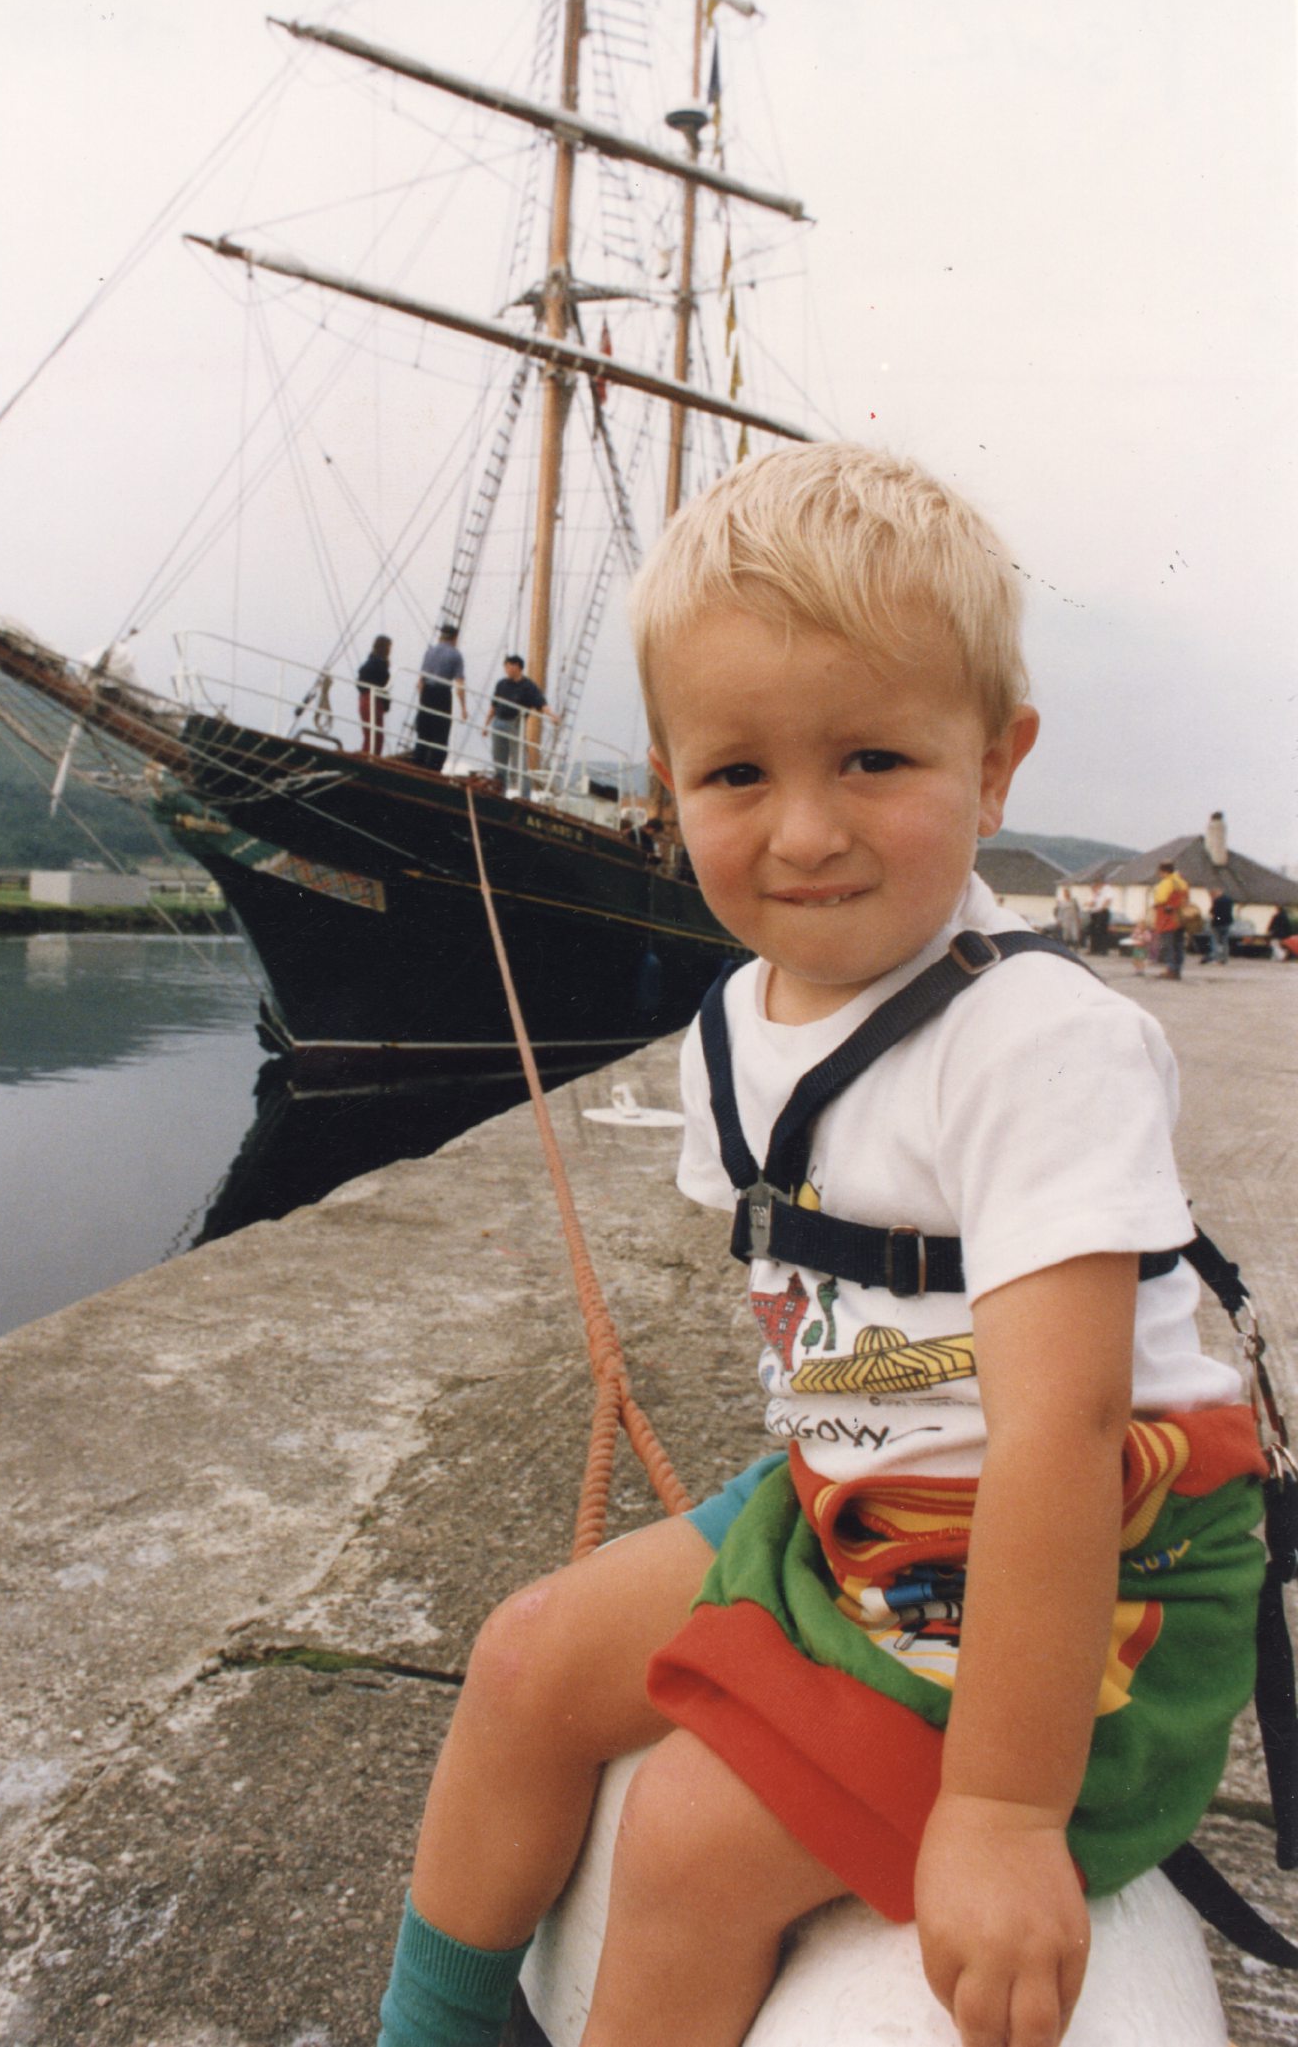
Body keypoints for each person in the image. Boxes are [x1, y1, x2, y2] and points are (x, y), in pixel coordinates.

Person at [377, 444, 1263, 2047]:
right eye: (736, 777)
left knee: (698, 1840)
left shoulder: (1036, 1047)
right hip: (850, 1494)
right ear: (668, 788)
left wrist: (997, 1810)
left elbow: (1059, 1432)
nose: (802, 833)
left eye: (871, 759)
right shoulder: (739, 1024)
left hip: (1077, 1555)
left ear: (997, 768)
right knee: (525, 1661)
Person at [480, 653, 557, 797]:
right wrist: (486, 725)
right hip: (498, 723)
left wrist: (552, 716)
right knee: (499, 761)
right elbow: (493, 705)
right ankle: (500, 793)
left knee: (520, 762)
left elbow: (541, 703)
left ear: (517, 667)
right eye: (505, 666)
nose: (506, 669)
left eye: (508, 666)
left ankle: (525, 796)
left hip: (514, 725)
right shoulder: (501, 684)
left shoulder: (528, 686)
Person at [412, 624, 466, 771]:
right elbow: (459, 685)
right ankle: (433, 771)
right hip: (442, 694)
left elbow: (420, 681)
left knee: (423, 735)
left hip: (427, 694)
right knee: (440, 738)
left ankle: (418, 766)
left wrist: (422, 701)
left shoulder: (429, 652)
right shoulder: (455, 655)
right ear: (455, 638)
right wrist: (463, 708)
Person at [1151, 860, 1190, 979]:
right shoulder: (1183, 882)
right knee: (1178, 945)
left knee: (1169, 945)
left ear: (1163, 871)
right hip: (1180, 918)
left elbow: (1160, 899)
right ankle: (1177, 970)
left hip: (1167, 918)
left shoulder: (1166, 883)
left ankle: (1170, 970)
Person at [356, 635, 393, 757]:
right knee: (375, 736)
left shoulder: (371, 663)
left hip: (367, 699)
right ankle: (369, 758)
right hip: (373, 700)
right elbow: (382, 684)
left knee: (372, 735)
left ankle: (368, 756)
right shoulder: (379, 665)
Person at [1204, 886, 1233, 966]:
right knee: (1225, 942)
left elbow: (1212, 912)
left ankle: (1217, 959)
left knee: (1215, 942)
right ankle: (1224, 959)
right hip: (1227, 923)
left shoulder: (1217, 901)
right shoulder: (1229, 900)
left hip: (1217, 924)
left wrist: (1212, 902)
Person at [1087, 879, 1114, 957]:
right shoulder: (1096, 893)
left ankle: (1103, 950)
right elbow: (1092, 903)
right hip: (1094, 913)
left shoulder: (1107, 889)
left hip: (1102, 912)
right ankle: (1094, 949)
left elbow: (1108, 900)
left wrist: (1101, 909)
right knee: (1094, 932)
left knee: (1102, 932)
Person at [1055, 884, 1082, 949]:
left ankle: (1076, 946)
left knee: (1074, 932)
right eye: (1065, 893)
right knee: (1066, 932)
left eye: (1068, 892)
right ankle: (1066, 946)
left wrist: (1079, 918)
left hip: (1073, 918)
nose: (1067, 894)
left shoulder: (1074, 901)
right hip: (1065, 918)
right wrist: (1059, 920)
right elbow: (1060, 912)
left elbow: (1078, 910)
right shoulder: (1062, 902)